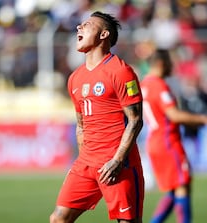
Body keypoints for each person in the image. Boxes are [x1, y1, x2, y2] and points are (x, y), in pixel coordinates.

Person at [49, 11, 145, 223]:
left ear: (104, 34)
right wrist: (83, 160)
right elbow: (81, 125)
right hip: (86, 164)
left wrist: (118, 160)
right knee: (58, 219)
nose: (78, 28)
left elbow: (136, 121)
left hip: (117, 163)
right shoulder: (75, 78)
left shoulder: (120, 71)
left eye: (87, 25)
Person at [140, 49, 207, 223]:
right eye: (169, 63)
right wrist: (204, 119)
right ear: (161, 64)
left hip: (154, 141)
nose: (172, 67)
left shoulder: (144, 84)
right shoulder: (159, 85)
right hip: (167, 141)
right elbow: (173, 115)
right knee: (182, 186)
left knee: (175, 188)